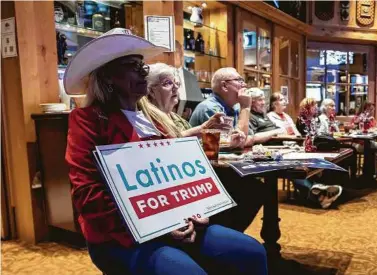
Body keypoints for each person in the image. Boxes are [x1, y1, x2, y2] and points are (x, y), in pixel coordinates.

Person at [64, 28, 267, 275]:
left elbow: (179, 178)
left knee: (252, 252)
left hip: (176, 222)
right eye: (131, 65)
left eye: (142, 65)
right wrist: (156, 224)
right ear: (108, 77)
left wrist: (198, 209)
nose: (142, 70)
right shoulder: (88, 119)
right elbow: (88, 195)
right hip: (119, 234)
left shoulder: (154, 119)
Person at [141, 63, 265, 234]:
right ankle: (225, 237)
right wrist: (206, 131)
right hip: (180, 187)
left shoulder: (176, 118)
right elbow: (162, 150)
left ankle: (228, 236)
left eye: (177, 83)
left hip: (196, 178)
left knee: (253, 188)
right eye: (168, 83)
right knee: (248, 189)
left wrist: (226, 139)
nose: (176, 87)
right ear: (150, 91)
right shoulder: (147, 120)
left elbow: (212, 147)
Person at [295, 98, 343, 209]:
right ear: (306, 107)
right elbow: (301, 136)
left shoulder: (315, 119)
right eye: (313, 106)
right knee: (299, 168)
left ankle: (322, 189)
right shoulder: (302, 119)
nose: (316, 107)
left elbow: (318, 135)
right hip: (299, 147)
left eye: (316, 105)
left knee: (334, 157)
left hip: (311, 147)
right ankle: (320, 190)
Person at [189, 67, 252, 139]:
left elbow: (250, 137)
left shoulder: (236, 106)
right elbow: (237, 142)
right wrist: (245, 107)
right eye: (239, 80)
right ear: (224, 86)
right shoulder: (209, 107)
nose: (244, 84)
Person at [351, 101, 377, 178]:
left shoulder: (372, 119)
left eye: (372, 109)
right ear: (363, 109)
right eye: (369, 109)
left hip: (370, 142)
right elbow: (352, 128)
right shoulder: (357, 118)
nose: (371, 111)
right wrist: (359, 122)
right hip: (358, 143)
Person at [318, 99, 358, 177]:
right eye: (331, 106)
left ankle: (351, 176)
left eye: (334, 106)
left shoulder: (331, 118)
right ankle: (348, 178)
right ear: (325, 107)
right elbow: (321, 134)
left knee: (351, 149)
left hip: (335, 142)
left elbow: (337, 132)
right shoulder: (321, 119)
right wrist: (334, 134)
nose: (334, 108)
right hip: (327, 145)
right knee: (351, 149)